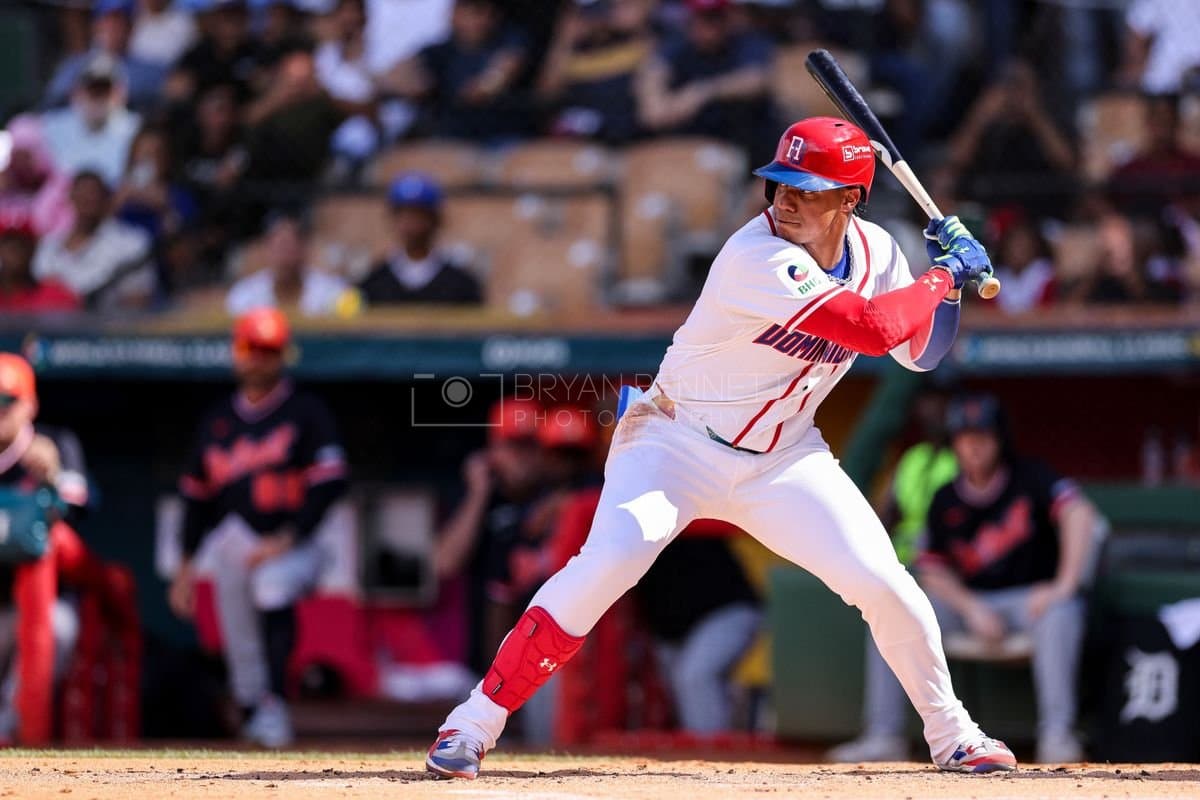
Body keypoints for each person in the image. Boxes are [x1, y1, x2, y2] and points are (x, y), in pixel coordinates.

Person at [425, 116, 1015, 779]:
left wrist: (952, 287)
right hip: (674, 442)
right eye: (779, 185)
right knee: (605, 565)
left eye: (806, 189)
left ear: (851, 199)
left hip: (785, 456)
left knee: (883, 582)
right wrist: (941, 277)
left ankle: (954, 734)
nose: (783, 200)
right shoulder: (752, 256)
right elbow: (873, 329)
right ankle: (471, 724)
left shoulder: (879, 252)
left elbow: (922, 352)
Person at [167, 308, 349, 748]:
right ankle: (254, 705)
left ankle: (272, 701)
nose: (257, 359)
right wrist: (186, 565)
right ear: (235, 352)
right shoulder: (218, 421)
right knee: (235, 576)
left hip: (299, 543)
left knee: (270, 584)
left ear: (283, 355)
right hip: (242, 544)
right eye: (250, 348)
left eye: (267, 350)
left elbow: (330, 483)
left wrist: (286, 537)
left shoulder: (305, 411)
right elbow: (197, 498)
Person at [918, 394, 1097, 763]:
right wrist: (970, 608)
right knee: (900, 612)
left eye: (982, 435)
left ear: (999, 439)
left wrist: (1062, 586)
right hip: (974, 602)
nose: (973, 445)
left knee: (1064, 610)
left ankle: (1057, 737)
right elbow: (932, 568)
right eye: (965, 436)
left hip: (1030, 600)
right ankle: (883, 734)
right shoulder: (945, 497)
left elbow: (1080, 514)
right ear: (953, 442)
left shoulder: (1030, 476)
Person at [828, 385, 959, 762]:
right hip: (909, 567)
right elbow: (883, 512)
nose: (933, 410)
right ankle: (884, 735)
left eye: (942, 401)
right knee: (887, 610)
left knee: (906, 612)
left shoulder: (965, 458)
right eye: (927, 401)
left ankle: (949, 733)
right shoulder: (914, 458)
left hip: (948, 575)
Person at [0, 353, 94, 745]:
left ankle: (10, 725)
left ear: (31, 404)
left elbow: (81, 507)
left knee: (57, 625)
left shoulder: (54, 444)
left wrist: (52, 479)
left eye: (8, 401)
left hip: (42, 603)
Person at [433, 398, 547, 674]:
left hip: (547, 658)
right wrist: (478, 493)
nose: (522, 457)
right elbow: (443, 563)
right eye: (513, 445)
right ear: (493, 450)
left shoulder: (555, 495)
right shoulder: (482, 498)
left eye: (529, 445)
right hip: (485, 663)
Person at [634, 523, 761, 733]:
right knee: (679, 685)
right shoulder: (618, 538)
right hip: (674, 630)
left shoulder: (677, 506)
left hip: (728, 611)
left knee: (694, 676)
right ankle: (709, 745)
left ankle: (711, 753)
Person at [634, 0, 774, 162]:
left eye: (715, 17)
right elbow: (654, 71)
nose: (708, 25)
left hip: (741, 144)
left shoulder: (747, 42)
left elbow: (756, 80)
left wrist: (702, 92)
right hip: (688, 142)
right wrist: (653, 99)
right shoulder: (679, 44)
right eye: (701, 17)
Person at [387, 0, 529, 140]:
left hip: (501, 136)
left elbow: (506, 67)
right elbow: (398, 75)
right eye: (474, 13)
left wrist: (488, 84)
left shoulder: (509, 41)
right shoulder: (438, 51)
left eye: (489, 14)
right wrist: (414, 86)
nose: (481, 22)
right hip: (450, 137)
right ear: (454, 14)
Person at [33, 171, 156, 311]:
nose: (87, 198)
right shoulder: (49, 246)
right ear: (70, 197)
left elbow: (139, 300)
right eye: (81, 192)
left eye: (93, 193)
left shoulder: (131, 244)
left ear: (106, 198)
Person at [536, 0, 654, 142]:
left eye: (599, 11)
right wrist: (564, 40)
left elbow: (654, 60)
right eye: (584, 14)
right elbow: (546, 93)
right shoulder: (569, 50)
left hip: (627, 132)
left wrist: (633, 24)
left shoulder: (634, 38)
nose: (592, 20)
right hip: (580, 134)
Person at [358, 173, 482, 305]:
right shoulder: (374, 281)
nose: (411, 224)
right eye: (404, 215)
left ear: (435, 220)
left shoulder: (461, 284)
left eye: (419, 215)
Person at [40, 54, 142, 188]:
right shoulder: (48, 126)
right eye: (92, 89)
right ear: (76, 92)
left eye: (104, 90)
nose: (98, 97)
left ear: (121, 93)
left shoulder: (137, 129)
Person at [43, 0, 166, 111]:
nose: (114, 28)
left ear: (132, 27)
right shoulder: (75, 66)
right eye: (108, 22)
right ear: (96, 26)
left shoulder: (149, 70)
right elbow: (52, 102)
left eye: (121, 22)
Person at [226, 211, 349, 316]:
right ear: (266, 250)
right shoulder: (245, 294)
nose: (284, 257)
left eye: (290, 247)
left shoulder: (332, 291)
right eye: (279, 247)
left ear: (304, 249)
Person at [0, 211, 80, 313]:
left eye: (22, 242)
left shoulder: (57, 296)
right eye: (7, 242)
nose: (14, 248)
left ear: (34, 248)